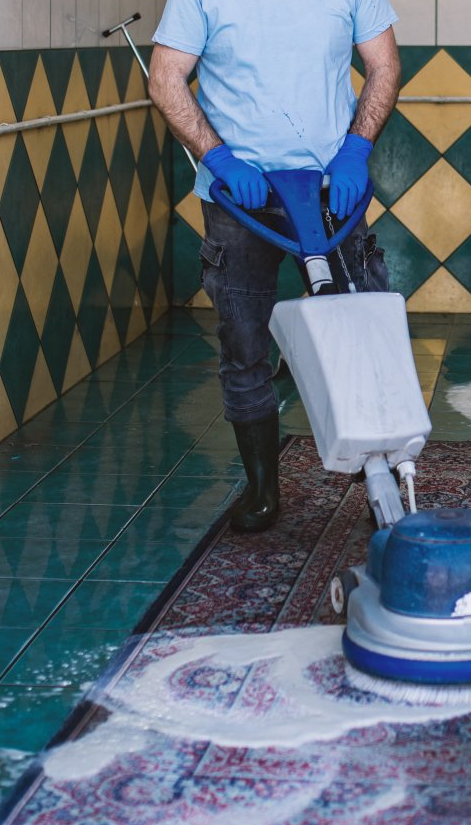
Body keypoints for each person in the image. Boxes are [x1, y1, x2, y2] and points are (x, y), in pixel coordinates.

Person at [148, 0, 402, 533]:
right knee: (244, 345)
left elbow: (383, 66)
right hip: (238, 201)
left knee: (359, 330)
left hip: (333, 192)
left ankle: (378, 468)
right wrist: (219, 158)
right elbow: (165, 78)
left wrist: (356, 148)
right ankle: (263, 489)